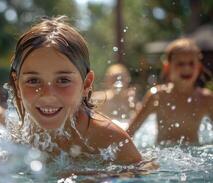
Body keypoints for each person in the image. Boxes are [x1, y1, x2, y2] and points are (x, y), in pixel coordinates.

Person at [8, 16, 142, 165]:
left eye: (63, 80)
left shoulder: (111, 141)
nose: (48, 94)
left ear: (86, 84)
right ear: (17, 84)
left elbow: (141, 178)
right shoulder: (20, 140)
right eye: (33, 81)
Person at [127, 38, 213, 144]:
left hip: (195, 157)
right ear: (167, 67)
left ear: (199, 67)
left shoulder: (206, 99)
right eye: (180, 64)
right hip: (162, 156)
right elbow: (129, 133)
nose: (186, 68)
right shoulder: (157, 96)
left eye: (191, 63)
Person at [93, 64, 139, 129]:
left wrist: (134, 107)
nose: (118, 82)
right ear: (107, 80)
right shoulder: (100, 98)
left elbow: (140, 119)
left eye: (121, 79)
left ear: (128, 80)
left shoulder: (131, 99)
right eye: (113, 79)